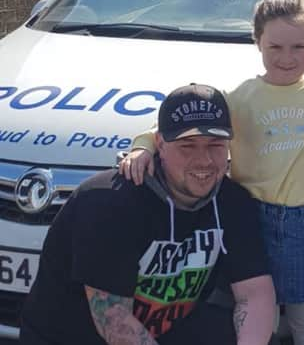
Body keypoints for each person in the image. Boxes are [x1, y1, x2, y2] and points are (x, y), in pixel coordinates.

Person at [120, 0, 304, 345]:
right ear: (257, 42)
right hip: (251, 218)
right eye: (275, 47)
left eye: (298, 47)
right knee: (261, 314)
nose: (287, 58)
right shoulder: (239, 98)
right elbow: (174, 128)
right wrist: (143, 148)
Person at [21, 84, 276, 345]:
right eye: (187, 146)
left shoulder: (232, 201)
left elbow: (254, 293)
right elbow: (112, 317)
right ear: (160, 145)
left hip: (163, 331)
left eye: (216, 144)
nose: (204, 160)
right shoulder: (108, 201)